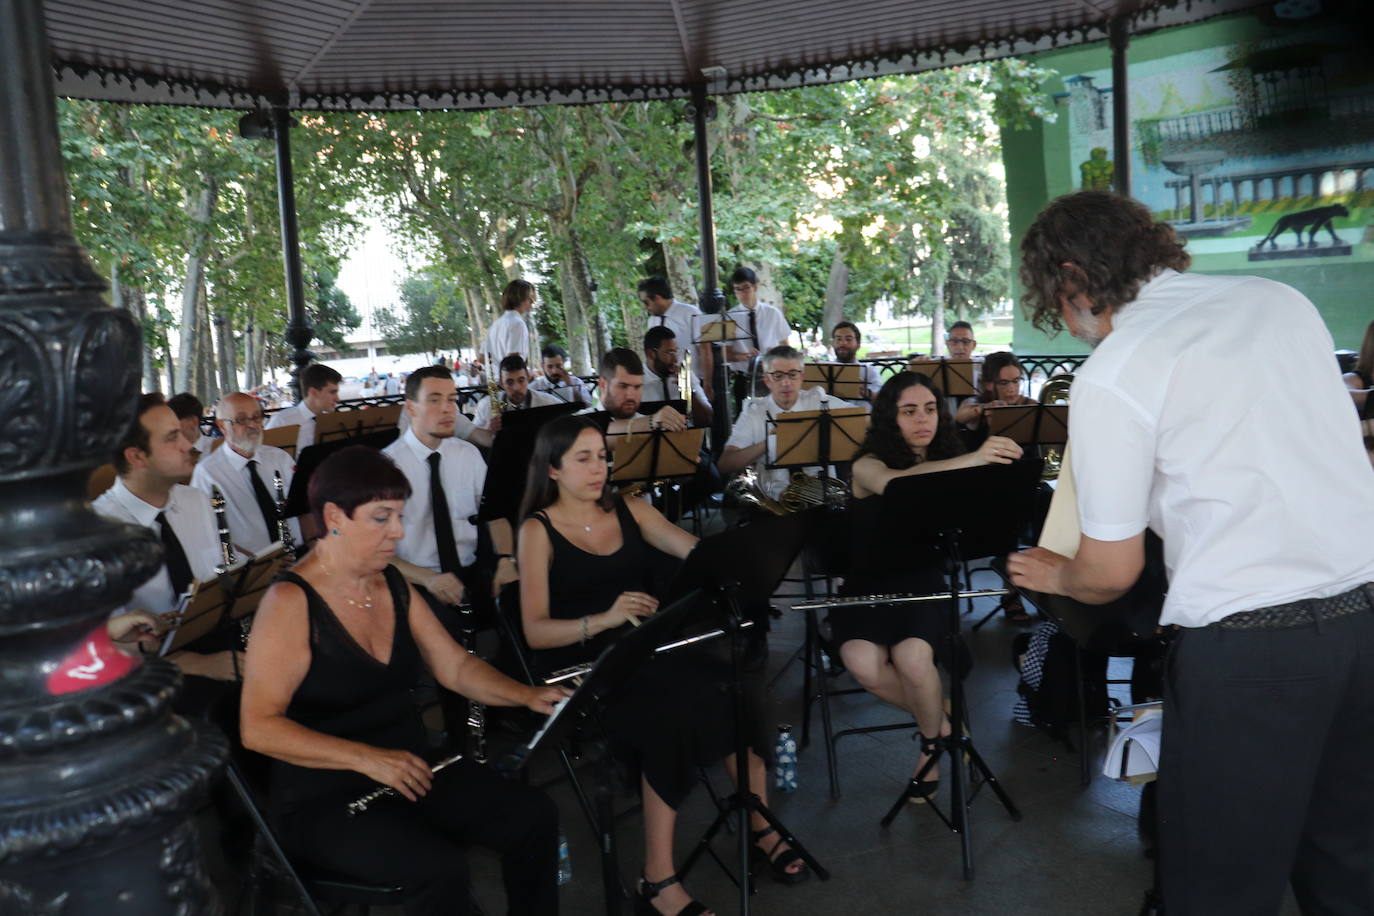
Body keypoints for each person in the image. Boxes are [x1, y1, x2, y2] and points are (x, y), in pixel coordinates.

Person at [1005, 190, 1374, 916]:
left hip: (1253, 652)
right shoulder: (1278, 300)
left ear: (1073, 277)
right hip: (1365, 623)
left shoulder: (1117, 369)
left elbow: (1112, 574)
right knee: (1350, 864)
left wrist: (1059, 572)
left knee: (1220, 888)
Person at [240, 446, 565, 916]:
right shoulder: (290, 603)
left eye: (398, 515)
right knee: (439, 869)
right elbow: (258, 727)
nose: (398, 530)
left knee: (533, 816)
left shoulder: (389, 581)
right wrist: (367, 759)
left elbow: (453, 666)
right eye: (381, 517)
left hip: (410, 767)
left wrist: (527, 695)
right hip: (327, 798)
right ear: (334, 516)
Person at [517, 416, 808, 916]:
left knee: (732, 685)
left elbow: (699, 555)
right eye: (583, 459)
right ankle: (656, 879)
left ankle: (761, 828)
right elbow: (535, 632)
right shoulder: (536, 531)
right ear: (553, 471)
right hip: (587, 665)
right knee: (672, 710)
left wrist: (749, 554)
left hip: (648, 647)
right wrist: (603, 618)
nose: (599, 468)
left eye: (602, 456)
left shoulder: (629, 508)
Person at [842, 372, 1022, 797]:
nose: (922, 420)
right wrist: (975, 460)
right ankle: (942, 724)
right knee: (863, 664)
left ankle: (928, 746)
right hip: (865, 582)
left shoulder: (947, 460)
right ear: (890, 418)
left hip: (922, 581)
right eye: (909, 412)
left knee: (913, 657)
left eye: (929, 410)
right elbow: (897, 487)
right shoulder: (866, 463)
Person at [93, 393, 243, 694]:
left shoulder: (198, 500)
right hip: (155, 681)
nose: (189, 444)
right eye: (173, 438)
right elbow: (102, 644)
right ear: (136, 457)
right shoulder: (96, 532)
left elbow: (227, 572)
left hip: (222, 639)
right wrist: (195, 664)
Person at [719, 346, 836, 502]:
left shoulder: (820, 400)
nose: (786, 383)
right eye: (778, 376)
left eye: (792, 375)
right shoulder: (754, 412)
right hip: (775, 503)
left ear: (802, 377)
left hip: (824, 498)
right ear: (767, 380)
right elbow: (725, 464)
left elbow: (866, 422)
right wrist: (768, 442)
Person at [190, 392, 300, 556]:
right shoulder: (207, 473)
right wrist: (257, 563)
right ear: (222, 426)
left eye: (256, 417)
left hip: (298, 556)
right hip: (254, 569)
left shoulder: (280, 458)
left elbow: (302, 509)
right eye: (241, 420)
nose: (252, 425)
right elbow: (210, 536)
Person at [638, 276, 714, 399]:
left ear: (657, 298)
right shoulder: (652, 320)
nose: (646, 307)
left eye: (646, 302)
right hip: (663, 385)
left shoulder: (691, 313)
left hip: (692, 381)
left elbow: (705, 350)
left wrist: (707, 384)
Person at [583, 348, 688, 435]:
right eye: (623, 386)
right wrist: (650, 422)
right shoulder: (579, 422)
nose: (631, 395)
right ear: (602, 384)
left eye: (637, 387)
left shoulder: (654, 424)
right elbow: (595, 431)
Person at [642, 325, 712, 428]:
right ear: (651, 354)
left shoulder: (684, 374)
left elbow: (707, 420)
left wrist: (688, 390)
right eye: (670, 353)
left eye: (676, 352)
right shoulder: (636, 380)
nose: (675, 359)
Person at [954, 351, 1036, 437]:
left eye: (1016, 381)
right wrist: (985, 408)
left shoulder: (1028, 403)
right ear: (988, 384)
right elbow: (960, 417)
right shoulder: (976, 402)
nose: (1012, 389)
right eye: (1004, 383)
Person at [265, 363, 342, 454]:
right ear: (313, 392)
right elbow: (265, 456)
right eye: (332, 392)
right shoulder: (282, 421)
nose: (338, 399)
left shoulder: (332, 420)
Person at [473, 355, 561, 428]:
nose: (516, 387)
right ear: (501, 383)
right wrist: (487, 431)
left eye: (521, 380)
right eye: (509, 382)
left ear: (528, 379)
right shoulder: (486, 406)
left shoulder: (548, 404)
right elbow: (472, 439)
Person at [482, 279, 536, 366]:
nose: (533, 302)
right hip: (510, 377)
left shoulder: (495, 324)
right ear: (520, 298)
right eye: (530, 299)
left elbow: (481, 357)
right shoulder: (517, 324)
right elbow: (514, 360)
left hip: (495, 377)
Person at [829, 321, 883, 404]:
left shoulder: (870, 371)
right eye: (838, 339)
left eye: (848, 339)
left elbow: (883, 401)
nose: (843, 343)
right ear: (833, 344)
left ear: (858, 344)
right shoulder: (823, 371)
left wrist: (866, 392)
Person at [166, 392, 217, 458]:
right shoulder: (168, 452)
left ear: (193, 421)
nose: (171, 429)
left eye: (175, 423)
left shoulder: (217, 449)